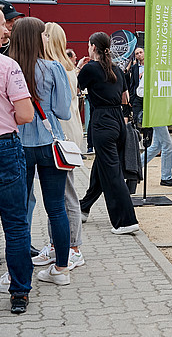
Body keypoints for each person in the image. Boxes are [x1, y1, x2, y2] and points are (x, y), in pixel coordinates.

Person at [10, 17, 72, 286]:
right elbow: (63, 111)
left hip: (17, 144)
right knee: (56, 207)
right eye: (44, 35)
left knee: (19, 209)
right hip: (50, 142)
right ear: (37, 38)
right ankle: (61, 269)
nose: (47, 38)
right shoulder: (53, 68)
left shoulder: (8, 68)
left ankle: (17, 271)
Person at [31, 22, 85, 270]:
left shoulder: (62, 68)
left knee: (66, 195)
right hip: (59, 134)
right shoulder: (60, 67)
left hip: (62, 136)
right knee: (59, 197)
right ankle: (58, 246)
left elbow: (62, 109)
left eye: (44, 35)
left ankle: (72, 247)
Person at [78, 32, 139, 235]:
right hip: (118, 120)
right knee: (102, 168)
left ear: (93, 47)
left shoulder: (90, 68)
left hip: (102, 121)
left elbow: (75, 88)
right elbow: (124, 97)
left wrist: (78, 67)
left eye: (88, 45)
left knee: (112, 174)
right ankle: (84, 207)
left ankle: (125, 221)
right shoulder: (117, 70)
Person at [0, 10, 33, 313]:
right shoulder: (8, 67)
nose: (7, 31)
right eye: (1, 24)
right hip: (5, 148)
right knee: (15, 226)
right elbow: (25, 115)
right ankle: (19, 292)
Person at [129, 47, 145, 124]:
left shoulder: (151, 66)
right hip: (137, 96)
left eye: (141, 52)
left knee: (147, 119)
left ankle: (147, 136)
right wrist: (131, 98)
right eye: (137, 53)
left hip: (148, 95)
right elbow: (132, 83)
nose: (139, 55)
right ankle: (136, 135)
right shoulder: (135, 67)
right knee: (136, 118)